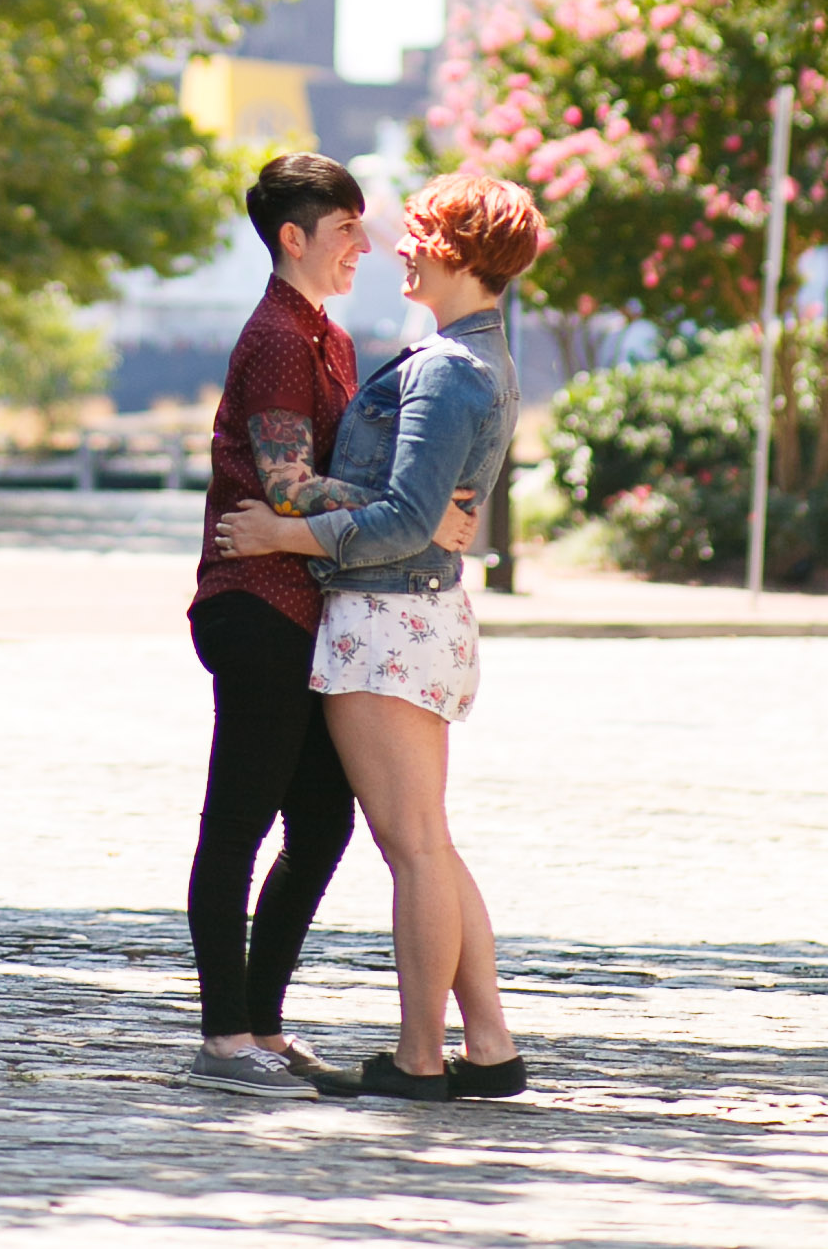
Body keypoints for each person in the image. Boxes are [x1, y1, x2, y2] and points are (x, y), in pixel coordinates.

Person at [217, 168, 540, 1106]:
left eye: (421, 236)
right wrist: (413, 514)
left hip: (387, 620)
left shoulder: (447, 367)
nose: (401, 246)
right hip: (410, 616)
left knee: (414, 847)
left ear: (461, 255)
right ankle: (485, 1044)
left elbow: (403, 518)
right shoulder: (474, 355)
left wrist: (284, 531)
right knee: (428, 841)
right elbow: (419, 509)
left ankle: (419, 1058)